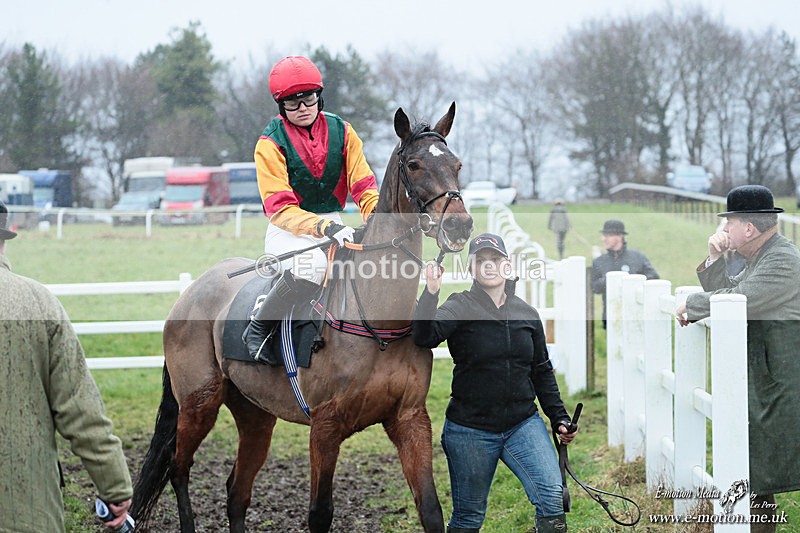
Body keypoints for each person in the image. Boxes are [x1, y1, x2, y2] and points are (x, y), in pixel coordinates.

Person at [413, 233, 578, 533]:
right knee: (469, 516)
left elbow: (542, 371)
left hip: (522, 424)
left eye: (495, 259)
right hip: (469, 430)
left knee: (552, 496)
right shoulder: (459, 305)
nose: (489, 266)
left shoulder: (526, 314)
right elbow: (424, 337)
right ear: (470, 269)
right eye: (481, 261)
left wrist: (559, 418)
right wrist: (431, 292)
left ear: (508, 265)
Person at [0, 199, 133, 532]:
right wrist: (114, 486)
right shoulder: (39, 303)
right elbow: (79, 410)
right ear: (4, 238)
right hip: (25, 508)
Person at [675, 185, 800, 533]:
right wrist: (714, 258)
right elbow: (729, 292)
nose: (724, 230)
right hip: (771, 377)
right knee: (755, 466)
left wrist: (693, 305)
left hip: (785, 381)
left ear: (748, 228)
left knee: (761, 466)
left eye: (729, 223)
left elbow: (740, 299)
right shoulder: (762, 256)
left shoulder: (783, 259)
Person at [244, 55, 380, 361]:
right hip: (288, 229)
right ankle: (258, 327)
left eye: (307, 99)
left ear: (319, 96)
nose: (302, 109)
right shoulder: (269, 143)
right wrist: (326, 228)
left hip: (335, 223)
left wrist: (377, 221)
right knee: (313, 268)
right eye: (292, 104)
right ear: (281, 107)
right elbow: (279, 207)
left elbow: (363, 186)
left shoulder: (344, 131)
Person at [590, 219, 659, 328]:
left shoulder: (637, 257)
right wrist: (609, 280)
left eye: (607, 235)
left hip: (636, 316)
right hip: (610, 317)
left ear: (619, 236)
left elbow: (654, 278)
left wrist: (633, 281)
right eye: (603, 235)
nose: (603, 239)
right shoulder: (599, 261)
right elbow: (594, 287)